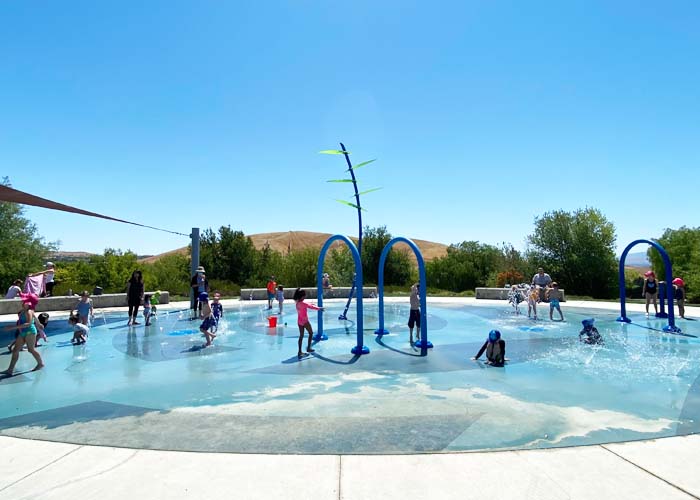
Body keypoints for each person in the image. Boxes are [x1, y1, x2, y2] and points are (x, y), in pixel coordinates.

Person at [1, 293, 44, 375]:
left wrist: (12, 327)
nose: (23, 302)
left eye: (25, 301)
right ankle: (10, 369)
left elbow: (28, 323)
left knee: (31, 349)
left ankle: (40, 363)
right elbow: (34, 317)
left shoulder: (28, 311)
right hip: (23, 332)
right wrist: (38, 324)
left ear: (29, 303)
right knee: (15, 350)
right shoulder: (24, 311)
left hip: (30, 332)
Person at [293, 288, 324, 359]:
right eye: (304, 296)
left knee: (301, 336)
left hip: (299, 321)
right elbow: (311, 307)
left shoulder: (297, 303)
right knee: (311, 333)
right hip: (305, 321)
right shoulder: (304, 303)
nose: (305, 297)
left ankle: (299, 351)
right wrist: (319, 308)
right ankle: (309, 348)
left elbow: (307, 305)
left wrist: (311, 304)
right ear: (302, 296)